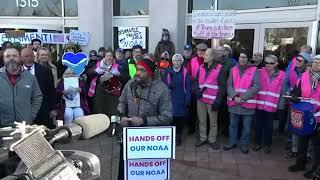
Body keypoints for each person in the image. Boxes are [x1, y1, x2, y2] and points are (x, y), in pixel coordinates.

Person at [117, 58, 172, 180]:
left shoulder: (162, 89)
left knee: (147, 173)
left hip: (150, 140)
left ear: (150, 73)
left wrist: (144, 121)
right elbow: (122, 102)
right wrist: (122, 116)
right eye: (137, 69)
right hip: (130, 136)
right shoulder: (130, 84)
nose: (137, 73)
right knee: (126, 171)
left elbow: (167, 116)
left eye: (142, 71)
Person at [288, 55, 320, 179]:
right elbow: (296, 91)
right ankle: (300, 163)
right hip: (305, 115)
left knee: (317, 145)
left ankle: (316, 169)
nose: (316, 64)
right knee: (302, 141)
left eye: (319, 62)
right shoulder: (304, 76)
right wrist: (294, 96)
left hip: (318, 117)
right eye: (315, 62)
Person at [224, 49, 260, 154]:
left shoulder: (254, 70)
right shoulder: (233, 69)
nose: (242, 59)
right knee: (232, 125)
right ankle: (232, 142)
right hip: (234, 103)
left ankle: (244, 145)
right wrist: (234, 96)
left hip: (247, 104)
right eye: (241, 57)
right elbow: (229, 85)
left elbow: (256, 86)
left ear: (248, 59)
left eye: (244, 57)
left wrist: (243, 98)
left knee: (246, 127)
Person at [193, 48, 227, 149]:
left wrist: (218, 101)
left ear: (212, 57)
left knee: (213, 122)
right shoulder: (201, 67)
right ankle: (203, 138)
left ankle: (212, 140)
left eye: (206, 55)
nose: (204, 56)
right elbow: (195, 81)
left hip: (212, 100)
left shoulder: (220, 68)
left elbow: (222, 86)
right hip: (201, 99)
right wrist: (197, 91)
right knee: (202, 121)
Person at [252, 55, 286, 154]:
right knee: (258, 125)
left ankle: (267, 145)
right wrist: (255, 61)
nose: (268, 65)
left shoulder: (282, 75)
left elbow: (283, 92)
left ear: (276, 63)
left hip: (272, 106)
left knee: (269, 127)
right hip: (259, 104)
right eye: (266, 62)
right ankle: (257, 143)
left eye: (271, 63)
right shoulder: (259, 71)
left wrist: (281, 107)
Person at [0, 47, 42, 126]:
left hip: (24, 126)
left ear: (20, 58)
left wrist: (30, 116)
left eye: (14, 56)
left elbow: (37, 97)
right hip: (2, 126)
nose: (11, 58)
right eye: (8, 56)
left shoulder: (30, 77)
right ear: (3, 59)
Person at [285, 51, 312, 158]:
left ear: (307, 63)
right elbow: (295, 88)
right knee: (295, 128)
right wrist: (291, 95)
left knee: (308, 130)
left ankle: (308, 153)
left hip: (310, 108)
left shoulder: (311, 75)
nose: (297, 62)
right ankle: (295, 149)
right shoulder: (295, 71)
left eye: (300, 60)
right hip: (296, 105)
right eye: (297, 59)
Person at [21, 47, 56, 129]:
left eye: (30, 56)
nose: (28, 58)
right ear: (21, 58)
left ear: (34, 57)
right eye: (26, 56)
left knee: (45, 134)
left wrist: (53, 108)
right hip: (22, 110)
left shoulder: (45, 71)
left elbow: (51, 91)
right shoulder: (15, 71)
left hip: (42, 110)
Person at [162, 54, 191, 146]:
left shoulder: (185, 71)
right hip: (170, 98)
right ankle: (170, 137)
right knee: (171, 118)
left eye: (179, 61)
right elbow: (164, 85)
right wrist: (169, 85)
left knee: (180, 119)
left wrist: (188, 98)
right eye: (175, 60)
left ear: (181, 62)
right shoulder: (168, 71)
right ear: (172, 62)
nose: (177, 62)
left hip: (181, 98)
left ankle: (178, 137)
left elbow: (188, 86)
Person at [92, 50, 121, 117]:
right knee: (100, 109)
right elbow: (92, 74)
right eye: (107, 56)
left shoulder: (116, 66)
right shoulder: (98, 65)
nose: (109, 57)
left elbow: (121, 76)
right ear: (104, 57)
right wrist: (98, 72)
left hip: (113, 91)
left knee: (112, 110)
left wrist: (114, 73)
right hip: (100, 91)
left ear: (113, 57)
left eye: (110, 56)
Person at [216, 45, 236, 137]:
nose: (219, 52)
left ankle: (226, 132)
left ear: (225, 52)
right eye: (217, 51)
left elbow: (234, 77)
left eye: (221, 51)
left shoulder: (230, 63)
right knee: (218, 112)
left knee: (226, 113)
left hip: (226, 92)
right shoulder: (215, 61)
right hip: (216, 91)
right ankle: (219, 130)